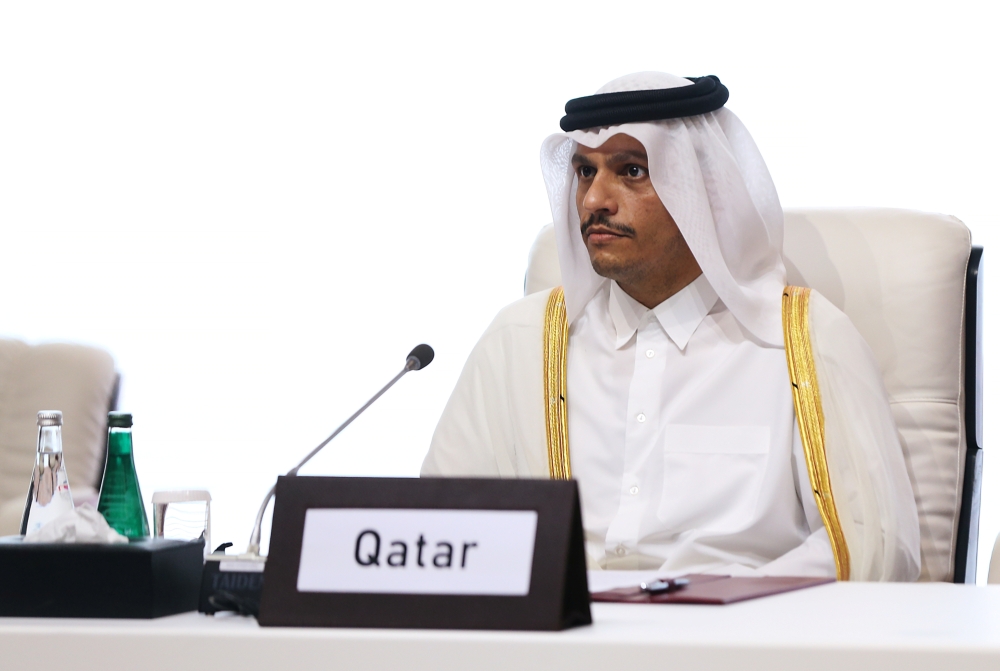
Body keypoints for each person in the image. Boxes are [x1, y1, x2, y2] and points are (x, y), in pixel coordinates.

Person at [422, 72, 920, 581]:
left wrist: (714, 609)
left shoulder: (803, 342)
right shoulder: (520, 343)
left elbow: (874, 545)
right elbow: (439, 536)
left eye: (631, 170)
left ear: (703, 191)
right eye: (585, 173)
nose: (594, 200)